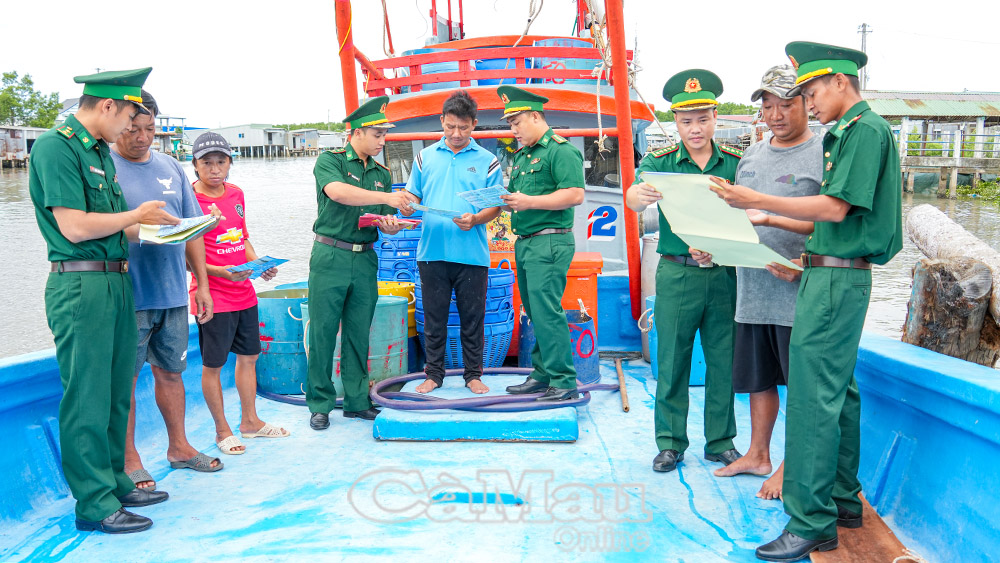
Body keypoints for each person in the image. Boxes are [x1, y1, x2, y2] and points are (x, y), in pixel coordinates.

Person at [707, 43, 902, 561]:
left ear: (840, 81)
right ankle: (841, 499)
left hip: (836, 279)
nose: (809, 104)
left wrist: (757, 201)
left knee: (814, 397)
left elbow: (836, 207)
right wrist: (769, 223)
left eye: (811, 93)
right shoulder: (850, 131)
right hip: (831, 272)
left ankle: (810, 520)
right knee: (842, 393)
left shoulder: (863, 130)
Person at [29, 67, 173, 534]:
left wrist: (163, 226)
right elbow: (73, 226)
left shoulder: (98, 154)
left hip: (116, 280)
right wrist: (136, 213)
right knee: (88, 396)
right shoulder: (57, 147)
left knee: (114, 394)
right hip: (82, 284)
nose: (131, 128)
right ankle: (93, 504)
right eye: (130, 116)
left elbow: (118, 225)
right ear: (108, 106)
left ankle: (114, 483)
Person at [690, 67, 821, 503]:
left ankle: (791, 464)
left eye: (786, 104)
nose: (776, 114)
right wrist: (713, 248)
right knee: (759, 379)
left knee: (800, 385)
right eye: (768, 106)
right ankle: (758, 454)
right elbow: (735, 217)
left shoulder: (823, 152)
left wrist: (805, 261)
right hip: (752, 287)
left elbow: (830, 216)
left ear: (807, 103)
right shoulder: (752, 156)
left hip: (798, 289)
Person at [624, 70, 743, 473]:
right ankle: (671, 443)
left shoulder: (734, 164)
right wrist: (639, 194)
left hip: (724, 274)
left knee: (723, 361)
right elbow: (634, 198)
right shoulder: (660, 163)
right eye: (686, 120)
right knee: (673, 361)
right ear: (675, 122)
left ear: (715, 118)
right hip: (676, 273)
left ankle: (721, 442)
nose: (695, 128)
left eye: (703, 119)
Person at [111, 90, 222, 486]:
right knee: (123, 381)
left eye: (149, 129)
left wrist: (202, 285)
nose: (141, 137)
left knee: (171, 373)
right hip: (128, 295)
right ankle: (128, 459)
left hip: (173, 292)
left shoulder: (171, 167)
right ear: (116, 123)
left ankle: (179, 447)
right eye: (132, 128)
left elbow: (193, 231)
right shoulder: (103, 168)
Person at [307, 96, 418, 429]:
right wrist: (387, 198)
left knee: (359, 333)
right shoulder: (331, 161)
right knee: (323, 333)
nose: (383, 141)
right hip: (330, 256)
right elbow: (339, 193)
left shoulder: (381, 172)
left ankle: (357, 401)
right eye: (378, 134)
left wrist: (394, 222)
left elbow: (383, 217)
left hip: (366, 258)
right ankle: (320, 403)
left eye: (384, 135)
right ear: (356, 131)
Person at [190, 132, 289, 455]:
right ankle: (223, 431)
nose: (215, 169)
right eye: (207, 163)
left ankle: (251, 422)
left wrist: (259, 265)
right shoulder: (190, 200)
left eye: (221, 162)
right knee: (213, 365)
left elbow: (241, 238)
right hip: (212, 294)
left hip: (244, 291)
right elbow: (186, 256)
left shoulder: (236, 194)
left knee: (249, 357)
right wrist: (221, 272)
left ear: (230, 163)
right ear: (195, 165)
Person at [405, 91, 504, 395]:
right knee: (433, 318)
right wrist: (406, 205)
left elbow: (496, 205)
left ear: (474, 124)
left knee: (472, 318)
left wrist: (476, 219)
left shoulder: (488, 161)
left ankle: (473, 374)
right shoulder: (425, 157)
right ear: (441, 122)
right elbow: (413, 196)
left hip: (472, 254)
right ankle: (434, 374)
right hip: (431, 252)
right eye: (450, 127)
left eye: (463, 128)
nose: (456, 134)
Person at [497, 85, 585, 402]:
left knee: (547, 312)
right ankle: (542, 373)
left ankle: (564, 381)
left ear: (535, 116)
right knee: (536, 312)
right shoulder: (524, 156)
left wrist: (529, 202)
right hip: (526, 243)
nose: (513, 129)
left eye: (517, 122)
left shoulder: (560, 151)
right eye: (510, 123)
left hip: (549, 242)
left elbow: (574, 194)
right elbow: (525, 199)